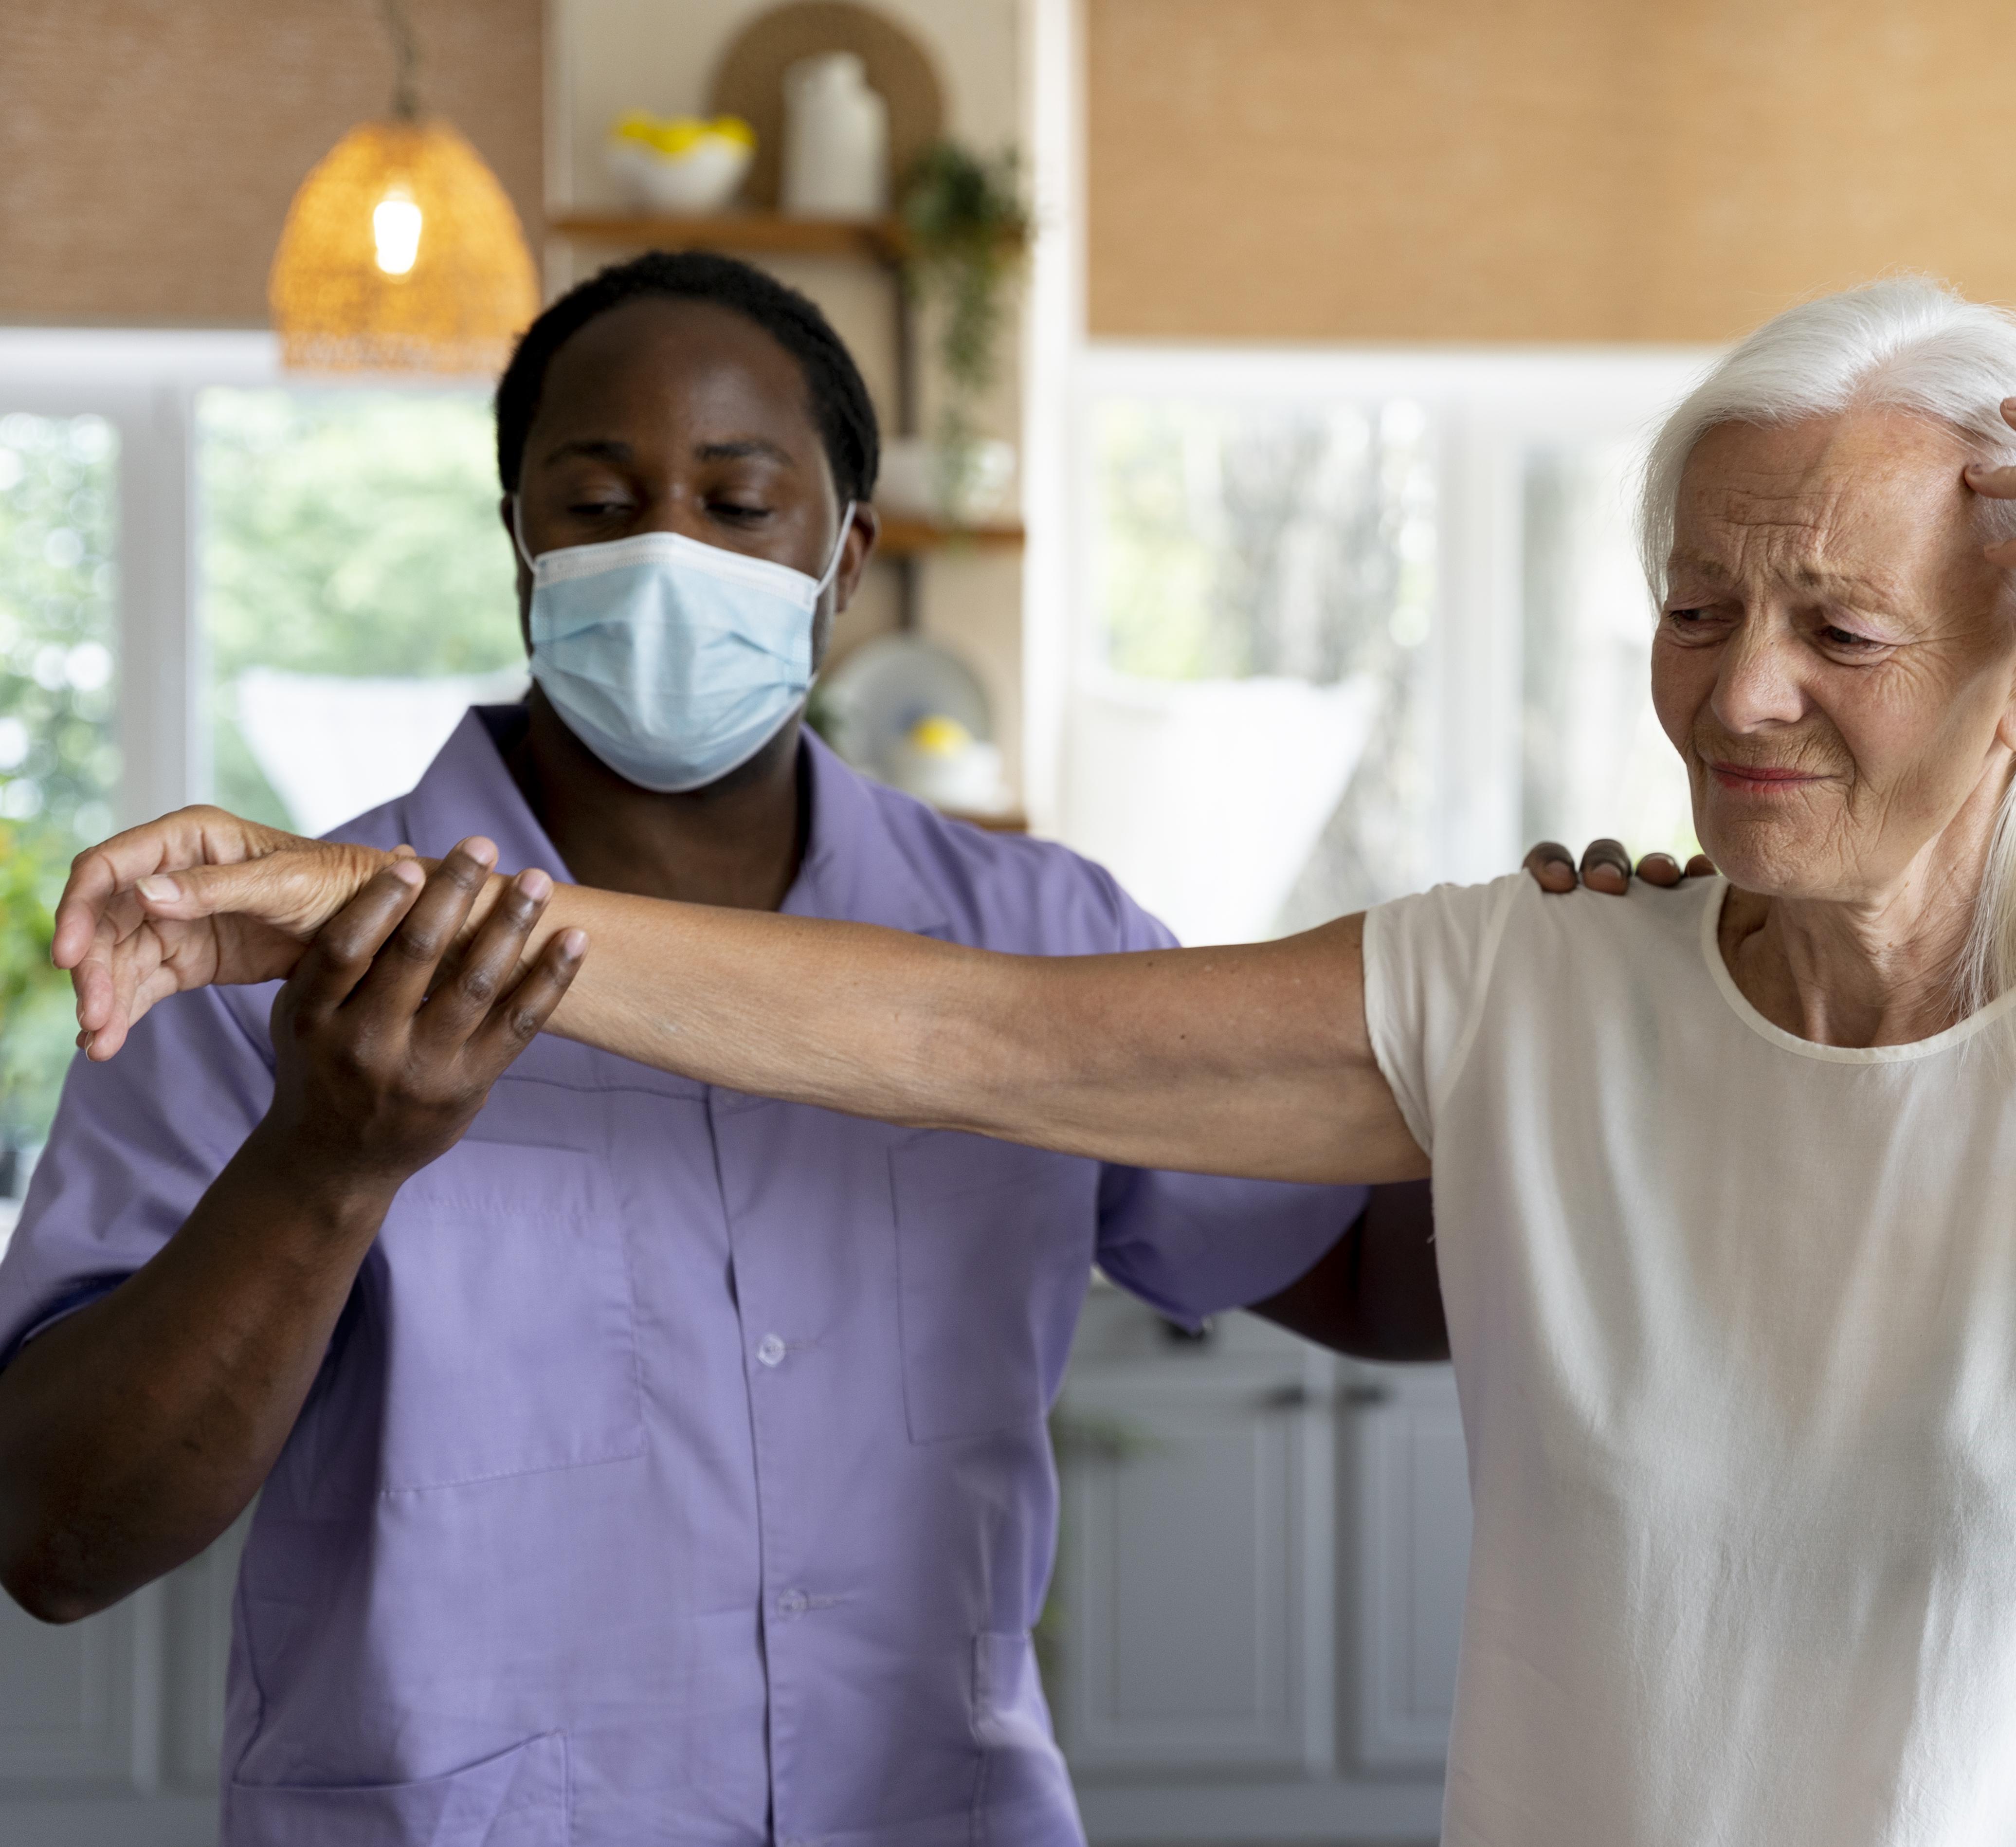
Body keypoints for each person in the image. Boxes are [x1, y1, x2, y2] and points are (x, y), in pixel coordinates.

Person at [59, 278, 2016, 1845]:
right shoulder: (1516, 981)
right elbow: (966, 1043)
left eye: (1832, 627)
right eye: (1694, 610)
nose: (1735, 694)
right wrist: (319, 926)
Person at [0, 251, 1471, 1847]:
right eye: (600, 499)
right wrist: (325, 1159)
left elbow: (1363, 1266)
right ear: (519, 546)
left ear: (845, 560)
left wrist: (1632, 1049)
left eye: (737, 501)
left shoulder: (1037, 940)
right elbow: (59, 1534)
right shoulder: (274, 961)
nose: (666, 554)